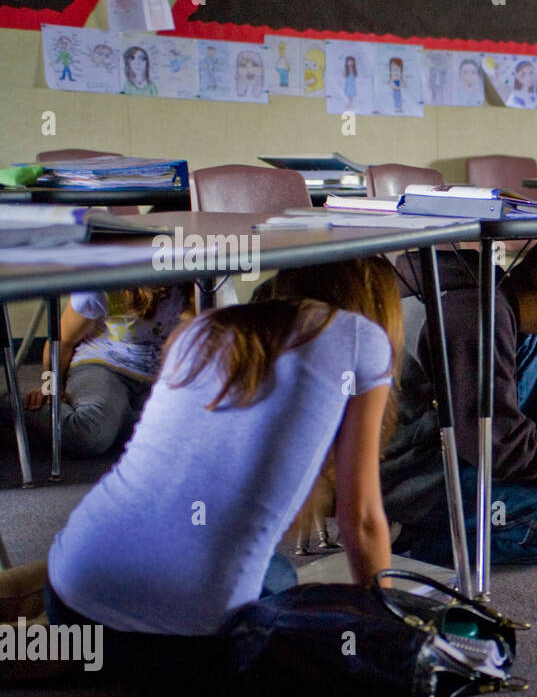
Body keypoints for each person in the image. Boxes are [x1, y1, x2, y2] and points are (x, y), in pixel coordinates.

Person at [44, 257, 401, 654]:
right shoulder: (360, 337)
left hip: (67, 598)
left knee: (266, 567)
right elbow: (362, 521)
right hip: (191, 642)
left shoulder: (197, 330)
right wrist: (385, 633)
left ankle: (37, 603)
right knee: (280, 580)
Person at [383, 236, 537, 566]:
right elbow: (496, 445)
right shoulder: (475, 316)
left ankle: (510, 491)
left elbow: (499, 444)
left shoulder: (501, 299)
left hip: (453, 452)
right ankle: (417, 543)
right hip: (411, 480)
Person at [24, 286, 192, 458]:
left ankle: (120, 419)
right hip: (105, 365)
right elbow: (62, 340)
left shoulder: (199, 280)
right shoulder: (99, 288)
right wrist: (50, 387)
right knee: (90, 436)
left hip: (164, 374)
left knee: (195, 425)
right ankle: (13, 405)